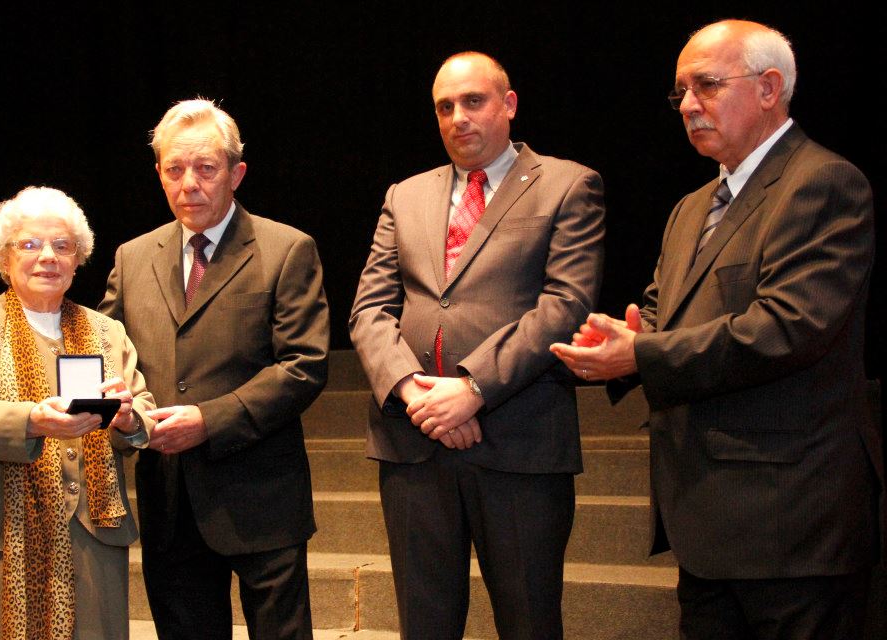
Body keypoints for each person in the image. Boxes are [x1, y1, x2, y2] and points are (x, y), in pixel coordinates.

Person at [551, 20, 883, 639]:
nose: (687, 105)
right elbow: (660, 312)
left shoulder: (823, 182)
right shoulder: (691, 207)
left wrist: (643, 353)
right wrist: (619, 338)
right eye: (680, 91)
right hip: (706, 525)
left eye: (706, 85)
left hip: (792, 528)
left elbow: (788, 327)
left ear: (769, 87)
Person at [349, 52, 605, 639]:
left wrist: (472, 389)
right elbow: (369, 310)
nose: (458, 117)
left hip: (518, 442)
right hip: (413, 443)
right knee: (425, 626)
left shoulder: (569, 184)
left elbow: (565, 305)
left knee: (528, 622)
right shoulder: (405, 195)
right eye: (445, 107)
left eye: (473, 101)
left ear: (508, 105)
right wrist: (415, 394)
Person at [99, 98, 329, 640]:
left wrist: (210, 420)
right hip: (169, 496)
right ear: (159, 174)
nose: (189, 184)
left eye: (205, 168)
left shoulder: (287, 248)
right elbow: (107, 356)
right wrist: (118, 414)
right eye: (174, 169)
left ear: (236, 173)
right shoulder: (132, 258)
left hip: (262, 494)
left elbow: (303, 365)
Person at [0, 186, 154, 639]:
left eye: (62, 246)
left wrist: (129, 420)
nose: (47, 257)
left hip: (92, 535)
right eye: (30, 244)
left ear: (77, 259)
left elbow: (143, 409)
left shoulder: (108, 331)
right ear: (5, 257)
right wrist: (32, 421)